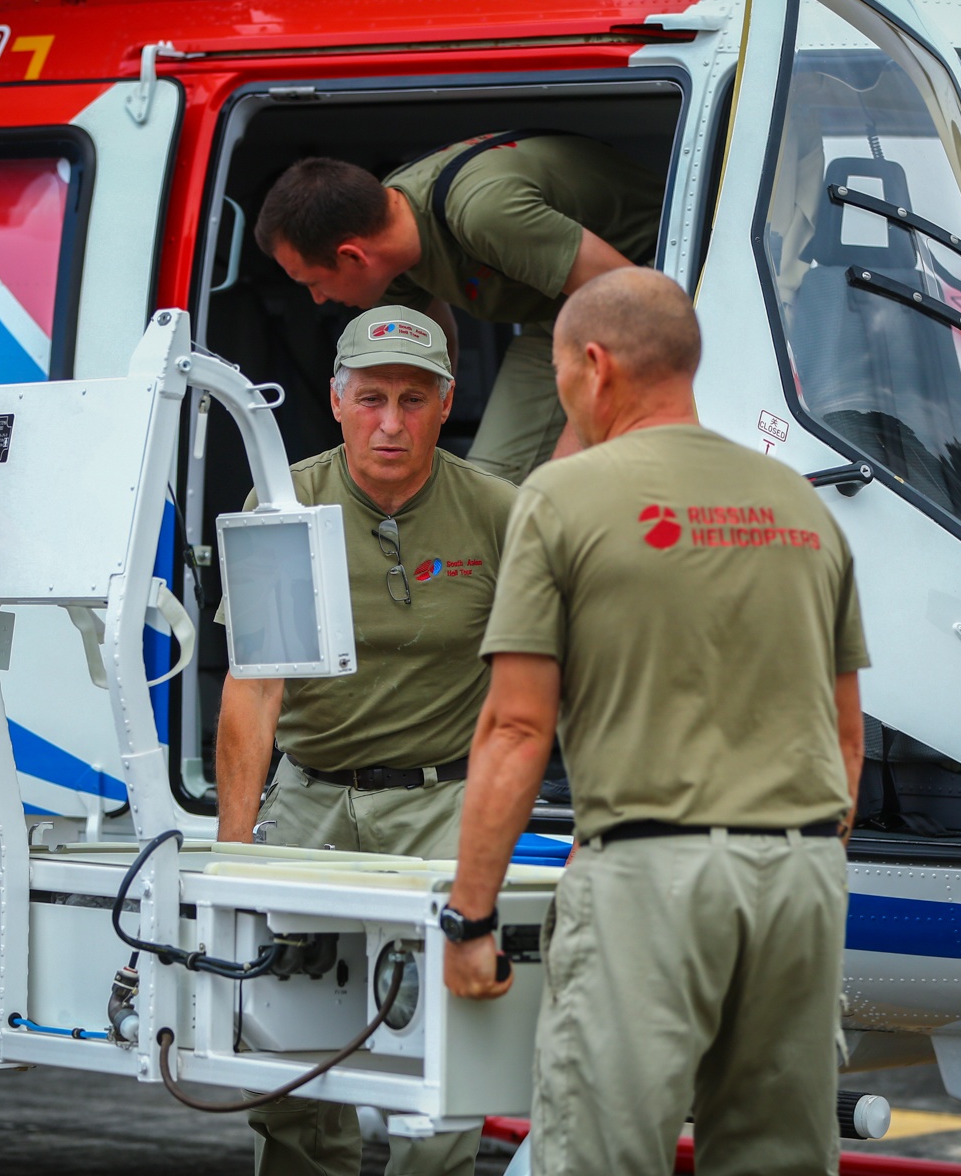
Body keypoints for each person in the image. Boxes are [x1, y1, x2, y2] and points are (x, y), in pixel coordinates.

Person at [440, 268, 870, 1175]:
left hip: (652, 878)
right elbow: (845, 739)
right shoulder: (799, 503)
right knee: (780, 1159)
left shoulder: (562, 498)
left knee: (601, 1152)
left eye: (561, 372)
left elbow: (516, 729)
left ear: (594, 367)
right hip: (802, 880)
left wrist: (469, 918)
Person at [214, 305, 518, 1176]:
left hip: (442, 802)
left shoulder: (498, 511)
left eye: (414, 400)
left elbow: (538, 682)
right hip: (312, 796)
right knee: (287, 1045)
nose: (392, 423)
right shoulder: (285, 501)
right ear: (338, 401)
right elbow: (256, 686)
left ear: (447, 403)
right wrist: (234, 855)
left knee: (448, 1044)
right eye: (373, 398)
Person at [253, 133, 664, 483]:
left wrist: (571, 456)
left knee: (567, 483)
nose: (318, 299)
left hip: (649, 288)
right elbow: (427, 355)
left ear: (353, 256)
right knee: (492, 484)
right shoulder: (389, 237)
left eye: (313, 283)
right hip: (562, 314)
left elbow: (634, 304)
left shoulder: (484, 212)